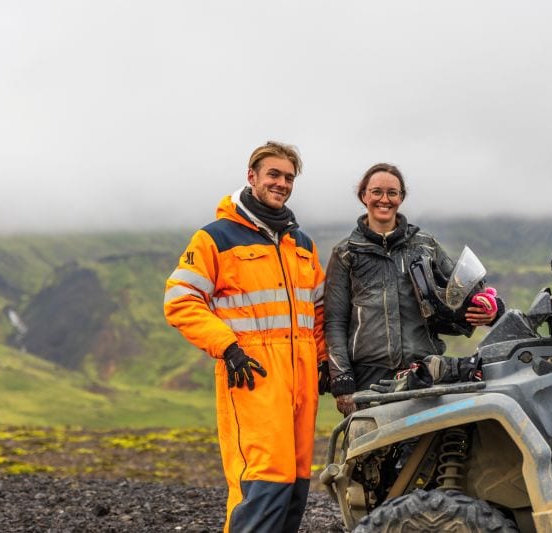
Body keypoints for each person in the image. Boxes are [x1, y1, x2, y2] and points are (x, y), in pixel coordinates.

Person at [164, 141, 327, 533]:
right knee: (262, 485)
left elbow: (318, 313)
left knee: (294, 487)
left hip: (301, 383)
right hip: (252, 376)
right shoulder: (216, 238)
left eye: (288, 177)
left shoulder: (301, 245)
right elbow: (180, 299)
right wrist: (228, 347)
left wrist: (322, 360)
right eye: (273, 174)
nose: (281, 183)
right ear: (251, 176)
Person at [324, 163, 501, 416]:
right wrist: (342, 381)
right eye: (376, 192)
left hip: (424, 373)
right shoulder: (346, 253)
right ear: (363, 196)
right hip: (369, 378)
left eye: (392, 193)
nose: (384, 199)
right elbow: (334, 322)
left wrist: (493, 307)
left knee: (425, 453)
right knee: (371, 454)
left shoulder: (425, 246)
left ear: (401, 198)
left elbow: (467, 288)